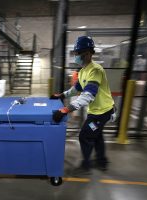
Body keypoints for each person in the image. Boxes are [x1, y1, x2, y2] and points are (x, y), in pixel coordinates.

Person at [50, 36, 116, 173]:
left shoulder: (95, 71)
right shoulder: (83, 71)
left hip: (102, 112)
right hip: (97, 111)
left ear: (88, 53)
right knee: (96, 134)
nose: (76, 56)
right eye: (76, 53)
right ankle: (102, 161)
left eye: (78, 53)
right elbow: (77, 89)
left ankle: (86, 165)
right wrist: (62, 95)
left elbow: (88, 95)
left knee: (85, 135)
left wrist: (65, 109)